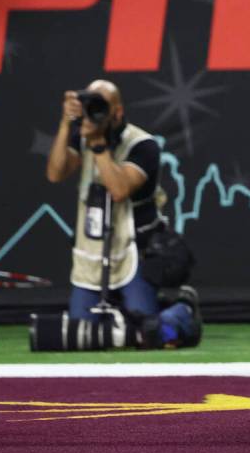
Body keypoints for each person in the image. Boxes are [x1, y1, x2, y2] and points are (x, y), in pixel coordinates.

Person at [46, 79, 163, 321]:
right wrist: (65, 125)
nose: (93, 112)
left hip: (134, 251)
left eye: (100, 106)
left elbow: (119, 190)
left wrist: (99, 146)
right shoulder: (82, 136)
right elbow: (55, 173)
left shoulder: (143, 145)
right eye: (89, 104)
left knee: (144, 326)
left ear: (117, 111)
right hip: (92, 254)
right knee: (82, 330)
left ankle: (178, 308)